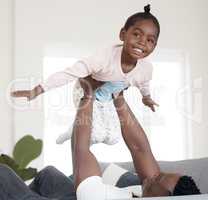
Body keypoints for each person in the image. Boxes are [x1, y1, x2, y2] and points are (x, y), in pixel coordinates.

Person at [0, 78, 201, 199]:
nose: (155, 174)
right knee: (48, 176)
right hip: (76, 195)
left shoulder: (96, 195)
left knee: (2, 175)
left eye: (158, 178)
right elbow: (140, 148)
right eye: (160, 174)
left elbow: (81, 149)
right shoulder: (152, 190)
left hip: (85, 195)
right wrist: (118, 96)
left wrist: (88, 94)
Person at [11, 4, 159, 146]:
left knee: (113, 139)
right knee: (95, 135)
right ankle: (72, 132)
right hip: (85, 89)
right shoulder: (103, 59)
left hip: (107, 98)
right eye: (137, 34)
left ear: (154, 46)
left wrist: (146, 98)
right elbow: (69, 73)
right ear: (123, 34)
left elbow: (143, 83)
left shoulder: (146, 69)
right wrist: (36, 90)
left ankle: (77, 129)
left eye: (149, 40)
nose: (142, 42)